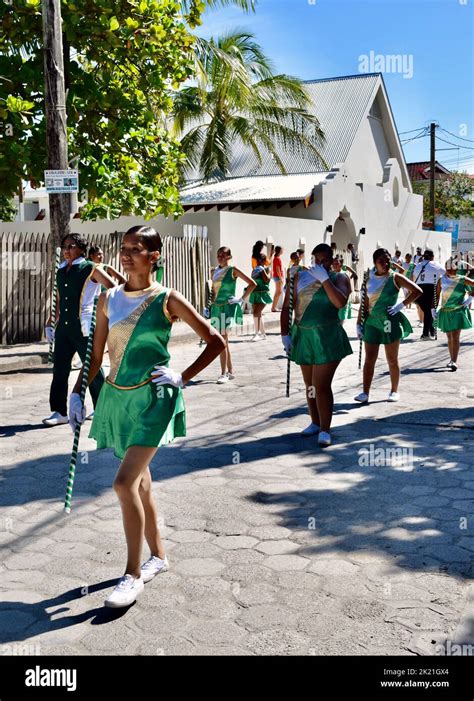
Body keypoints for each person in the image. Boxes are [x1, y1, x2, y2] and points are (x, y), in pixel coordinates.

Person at [68, 226, 225, 608]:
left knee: (124, 484)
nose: (126, 255)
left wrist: (182, 377)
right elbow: (96, 355)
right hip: (118, 399)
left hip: (155, 398)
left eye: (136, 249)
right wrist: (75, 395)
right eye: (123, 248)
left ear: (154, 255)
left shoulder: (166, 298)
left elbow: (216, 341)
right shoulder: (107, 299)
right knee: (141, 485)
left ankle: (132, 574)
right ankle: (160, 557)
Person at [281, 243, 353, 447]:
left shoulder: (340, 278)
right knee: (310, 385)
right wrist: (285, 334)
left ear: (331, 261)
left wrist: (325, 280)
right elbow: (287, 306)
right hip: (304, 336)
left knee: (321, 385)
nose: (319, 263)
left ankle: (325, 429)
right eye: (316, 260)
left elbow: (340, 303)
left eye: (324, 260)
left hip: (327, 337)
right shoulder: (299, 277)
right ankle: (314, 421)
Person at [43, 233, 116, 426]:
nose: (66, 250)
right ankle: (59, 411)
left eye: (71, 246)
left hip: (84, 326)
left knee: (91, 366)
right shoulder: (60, 270)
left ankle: (102, 407)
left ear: (82, 249)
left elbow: (113, 289)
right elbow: (59, 298)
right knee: (59, 368)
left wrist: (99, 312)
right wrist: (51, 322)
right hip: (64, 327)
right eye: (64, 246)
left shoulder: (91, 268)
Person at [355, 248, 422, 404]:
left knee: (391, 359)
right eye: (381, 261)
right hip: (371, 322)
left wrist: (401, 305)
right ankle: (365, 392)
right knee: (369, 359)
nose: (385, 264)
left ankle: (394, 390)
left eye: (387, 260)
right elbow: (364, 304)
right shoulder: (368, 278)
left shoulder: (395, 277)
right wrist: (359, 323)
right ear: (374, 263)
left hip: (388, 322)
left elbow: (417, 290)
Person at [207, 246, 255, 383]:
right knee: (223, 340)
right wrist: (209, 306)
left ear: (229, 257)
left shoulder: (233, 270)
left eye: (223, 255)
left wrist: (241, 299)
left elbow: (252, 284)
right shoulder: (213, 271)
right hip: (216, 308)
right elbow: (213, 291)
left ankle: (223, 374)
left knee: (221, 339)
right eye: (218, 255)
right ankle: (230, 371)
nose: (220, 257)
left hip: (228, 308)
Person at [433, 258, 474, 371]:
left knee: (455, 336)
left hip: (458, 311)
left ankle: (454, 361)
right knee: (449, 337)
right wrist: (433, 309)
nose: (449, 270)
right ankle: (451, 359)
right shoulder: (441, 280)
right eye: (447, 267)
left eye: (452, 267)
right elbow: (436, 295)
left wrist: (470, 298)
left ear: (456, 268)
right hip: (445, 311)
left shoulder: (462, 279)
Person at [412, 248, 444, 340]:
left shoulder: (418, 265)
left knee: (427, 311)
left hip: (419, 290)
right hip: (431, 289)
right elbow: (445, 274)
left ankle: (431, 331)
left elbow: (413, 277)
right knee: (429, 311)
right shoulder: (436, 265)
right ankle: (426, 333)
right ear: (432, 257)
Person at [249, 252, 272, 341]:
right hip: (255, 293)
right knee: (257, 314)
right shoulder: (254, 269)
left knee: (256, 313)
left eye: (259, 259)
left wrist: (263, 271)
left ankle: (256, 334)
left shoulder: (264, 269)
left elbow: (267, 281)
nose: (258, 261)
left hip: (263, 294)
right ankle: (263, 334)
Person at [331, 256, 358, 324]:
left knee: (340, 323)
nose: (334, 265)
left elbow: (349, 290)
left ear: (341, 265)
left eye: (337, 263)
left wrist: (344, 302)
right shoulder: (330, 274)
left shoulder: (344, 275)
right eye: (333, 263)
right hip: (333, 302)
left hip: (342, 303)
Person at [271, 245, 285, 312]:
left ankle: (273, 307)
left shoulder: (277, 258)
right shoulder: (277, 258)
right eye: (282, 249)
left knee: (278, 292)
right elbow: (277, 269)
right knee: (278, 292)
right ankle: (273, 308)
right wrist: (281, 278)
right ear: (280, 251)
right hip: (278, 276)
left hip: (277, 276)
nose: (283, 251)